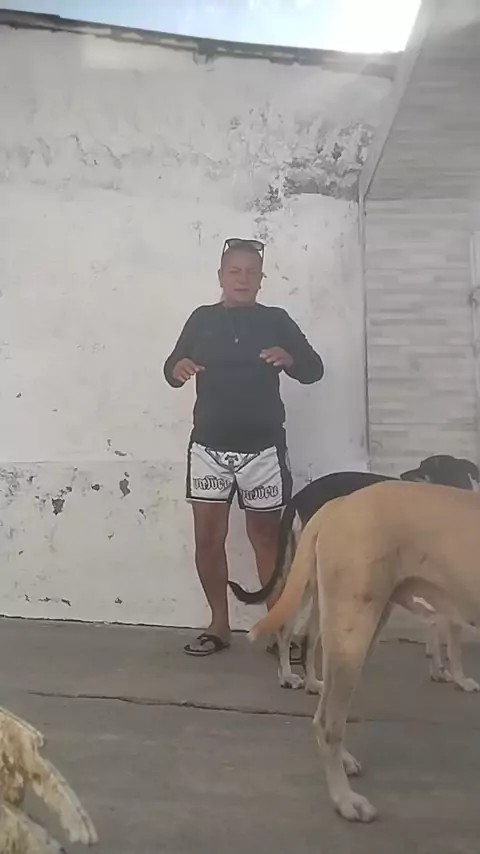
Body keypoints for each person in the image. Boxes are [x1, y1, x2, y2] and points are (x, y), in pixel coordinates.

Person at [164, 238, 324, 656]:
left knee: (267, 540)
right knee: (207, 539)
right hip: (209, 449)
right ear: (221, 276)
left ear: (261, 279)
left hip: (263, 450)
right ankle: (219, 625)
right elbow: (171, 366)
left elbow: (314, 369)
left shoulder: (276, 319)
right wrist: (178, 368)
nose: (243, 278)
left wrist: (290, 358)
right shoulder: (202, 319)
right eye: (234, 271)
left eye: (251, 272)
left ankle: (278, 630)